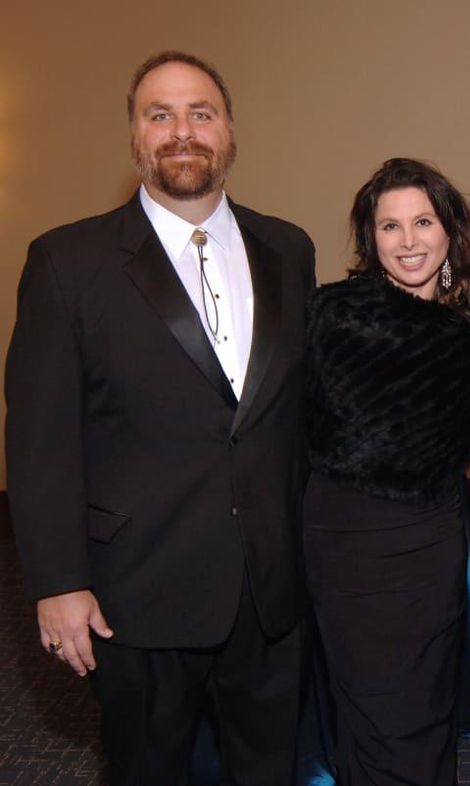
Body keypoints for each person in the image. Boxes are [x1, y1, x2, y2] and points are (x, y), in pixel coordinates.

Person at [4, 51, 315, 785]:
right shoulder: (67, 261)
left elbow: (297, 416)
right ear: (134, 135)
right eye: (160, 115)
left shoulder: (288, 248)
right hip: (135, 595)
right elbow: (41, 440)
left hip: (271, 592)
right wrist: (57, 583)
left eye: (201, 113)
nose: (182, 131)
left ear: (229, 130)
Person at [304, 157, 470, 785]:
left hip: (432, 544)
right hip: (347, 546)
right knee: (371, 713)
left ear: (450, 230)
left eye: (423, 222)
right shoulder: (332, 314)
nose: (408, 240)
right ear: (371, 237)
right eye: (390, 226)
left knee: (429, 707)